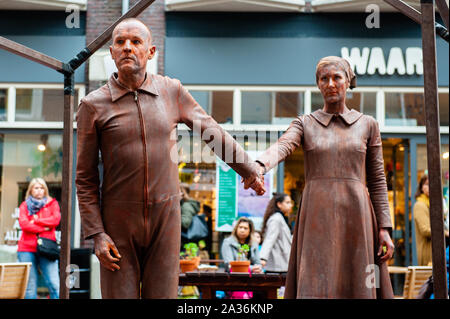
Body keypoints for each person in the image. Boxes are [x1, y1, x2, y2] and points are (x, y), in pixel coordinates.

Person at [75, 18, 265, 299]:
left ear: (150, 52)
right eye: (120, 42)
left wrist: (248, 169)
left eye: (136, 42)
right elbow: (85, 177)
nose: (127, 47)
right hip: (118, 224)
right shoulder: (93, 105)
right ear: (112, 53)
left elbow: (211, 131)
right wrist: (96, 234)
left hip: (166, 218)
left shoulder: (171, 91)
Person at [247, 56, 395, 298]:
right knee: (316, 280)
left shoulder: (368, 124)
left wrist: (384, 228)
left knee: (359, 281)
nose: (330, 83)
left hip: (357, 214)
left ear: (348, 82)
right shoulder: (306, 123)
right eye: (324, 79)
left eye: (337, 77)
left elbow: (378, 180)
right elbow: (283, 146)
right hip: (316, 213)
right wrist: (259, 166)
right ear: (317, 84)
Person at [17, 178, 61, 299]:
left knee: (54, 284)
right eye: (36, 188)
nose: (39, 191)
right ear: (31, 190)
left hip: (47, 248)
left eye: (42, 188)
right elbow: (24, 225)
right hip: (26, 249)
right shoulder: (24, 205)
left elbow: (55, 220)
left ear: (45, 190)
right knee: (30, 287)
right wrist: (45, 228)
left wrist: (36, 220)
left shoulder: (53, 204)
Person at [260, 193, 293, 273]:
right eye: (287, 202)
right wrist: (263, 258)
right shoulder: (276, 219)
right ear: (279, 204)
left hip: (282, 264)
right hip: (277, 265)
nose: (291, 205)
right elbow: (270, 239)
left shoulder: (281, 218)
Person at [413, 174, 432, 266]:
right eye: (427, 184)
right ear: (421, 188)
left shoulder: (435, 204)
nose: (430, 187)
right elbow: (425, 230)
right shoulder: (420, 205)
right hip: (428, 255)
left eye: (432, 184)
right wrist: (445, 232)